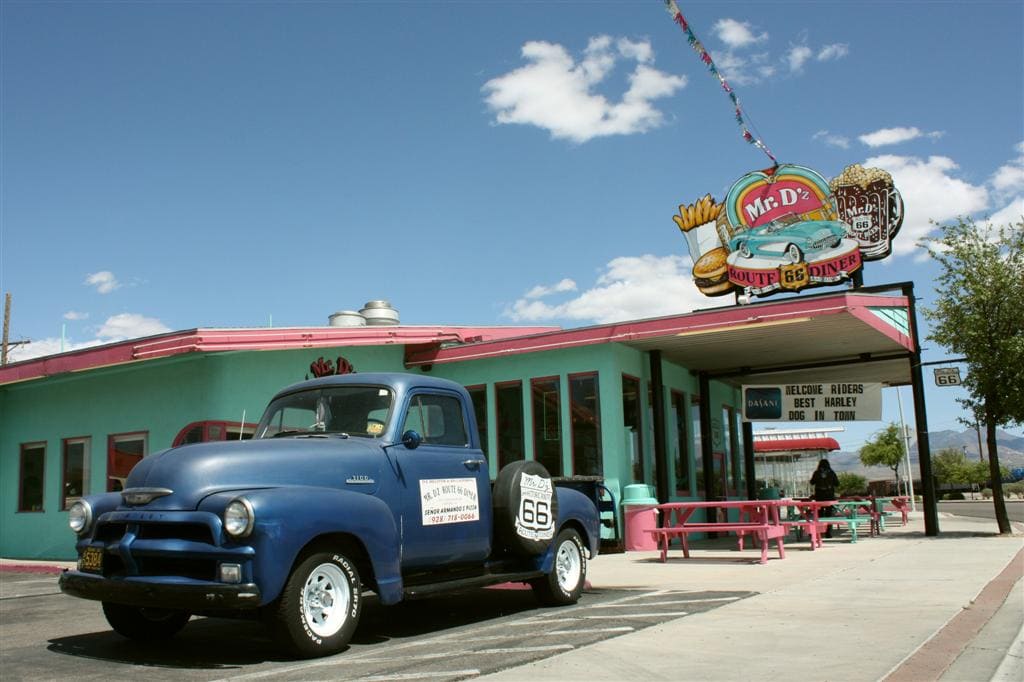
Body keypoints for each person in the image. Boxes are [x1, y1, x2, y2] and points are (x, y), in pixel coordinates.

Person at [810, 459, 839, 537]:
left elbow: (812, 482)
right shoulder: (831, 473)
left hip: (819, 496)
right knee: (828, 514)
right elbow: (837, 483)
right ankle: (828, 532)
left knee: (819, 514)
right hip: (829, 496)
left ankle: (820, 531)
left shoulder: (816, 473)